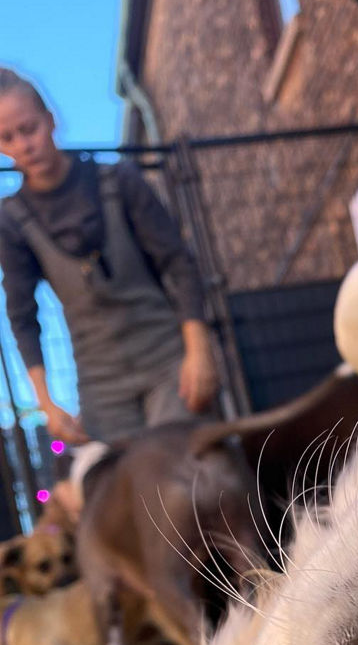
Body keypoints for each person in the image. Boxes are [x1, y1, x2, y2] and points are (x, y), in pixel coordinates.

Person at [0, 67, 219, 445]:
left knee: (186, 466)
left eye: (29, 128)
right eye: (7, 137)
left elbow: (178, 264)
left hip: (169, 362)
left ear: (50, 121)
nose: (24, 144)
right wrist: (47, 404)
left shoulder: (120, 180)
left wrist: (198, 352)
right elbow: (22, 316)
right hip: (102, 385)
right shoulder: (12, 220)